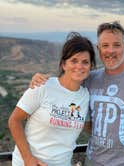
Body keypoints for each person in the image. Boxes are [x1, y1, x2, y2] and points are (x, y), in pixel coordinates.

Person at [29, 21, 124, 166]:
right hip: (93, 162)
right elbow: (66, 79)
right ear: (98, 48)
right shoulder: (90, 78)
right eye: (105, 45)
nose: (110, 51)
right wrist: (43, 79)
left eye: (117, 45)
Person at [8, 32, 96, 166]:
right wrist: (28, 158)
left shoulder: (86, 96)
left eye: (85, 62)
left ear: (90, 66)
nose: (79, 66)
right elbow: (14, 120)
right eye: (74, 61)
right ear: (63, 64)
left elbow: (92, 128)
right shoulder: (43, 86)